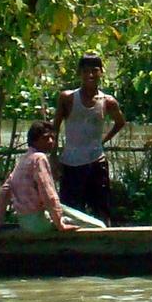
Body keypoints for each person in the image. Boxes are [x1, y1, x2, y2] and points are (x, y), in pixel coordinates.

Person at [0, 121, 104, 233]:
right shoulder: (39, 158)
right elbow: (48, 193)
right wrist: (60, 224)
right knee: (99, 226)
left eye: (52, 137)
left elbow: (5, 190)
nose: (50, 141)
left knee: (63, 210)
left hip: (25, 222)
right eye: (45, 138)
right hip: (40, 222)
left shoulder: (24, 159)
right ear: (34, 140)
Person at [54, 52, 126, 224]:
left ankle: (105, 239)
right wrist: (53, 157)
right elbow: (55, 127)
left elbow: (120, 122)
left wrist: (102, 141)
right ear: (80, 73)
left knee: (101, 208)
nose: (91, 75)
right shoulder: (68, 98)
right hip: (71, 162)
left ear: (101, 72)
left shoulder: (107, 101)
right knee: (70, 210)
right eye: (86, 71)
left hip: (96, 162)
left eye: (95, 71)